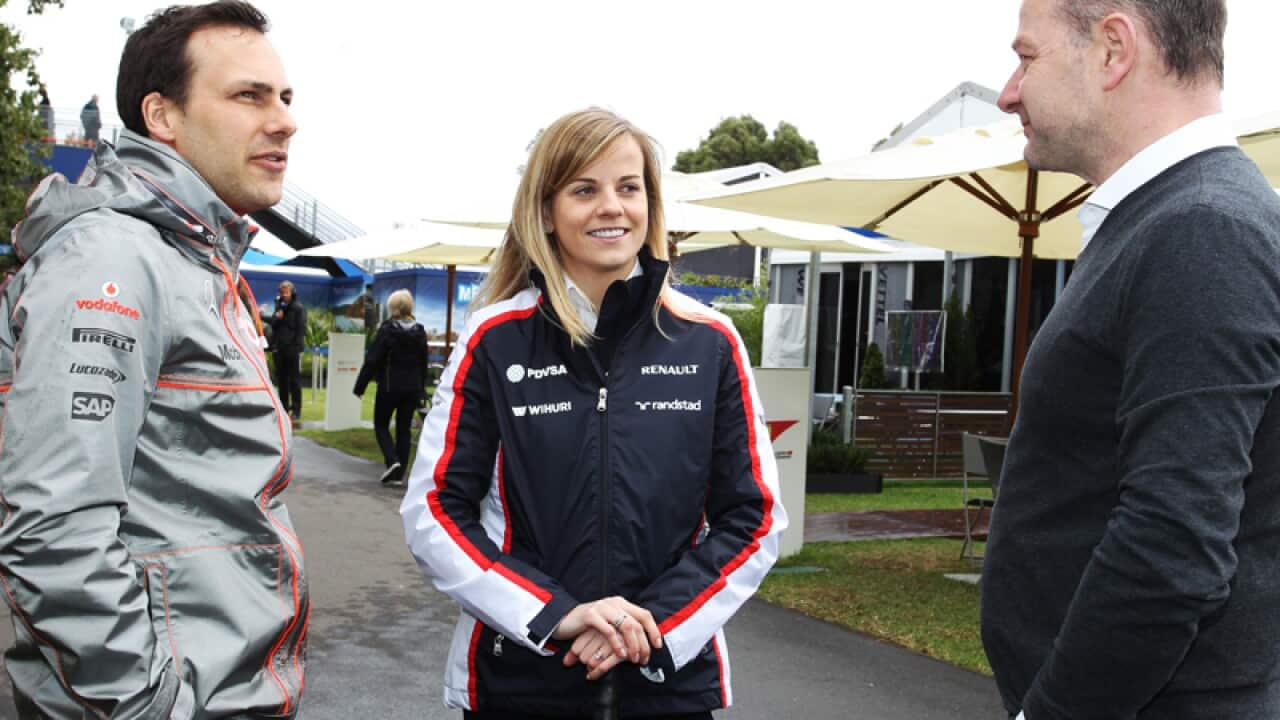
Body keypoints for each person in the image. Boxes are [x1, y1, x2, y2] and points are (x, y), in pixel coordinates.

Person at [400, 108, 787, 719]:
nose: (612, 206)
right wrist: (558, 615)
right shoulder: (495, 341)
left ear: (650, 206)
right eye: (585, 189)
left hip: (670, 685)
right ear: (546, 212)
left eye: (628, 187)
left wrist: (652, 626)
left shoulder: (709, 341)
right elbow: (434, 510)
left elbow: (755, 517)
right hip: (518, 683)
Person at [0, 2, 308, 717]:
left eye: (286, 97)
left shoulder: (191, 259)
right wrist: (148, 706)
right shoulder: (112, 256)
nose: (285, 120)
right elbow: (53, 529)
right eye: (248, 96)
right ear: (162, 117)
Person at [981, 2, 1280, 719]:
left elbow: (1172, 545)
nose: (1008, 91)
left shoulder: (1201, 229)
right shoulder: (1164, 219)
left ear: (1113, 49)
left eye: (1027, 57)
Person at [353, 288, 427, 486]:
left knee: (381, 425)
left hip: (389, 386)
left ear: (392, 307)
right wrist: (422, 390)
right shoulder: (420, 331)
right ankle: (399, 473)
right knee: (404, 428)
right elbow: (423, 363)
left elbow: (373, 359)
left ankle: (392, 461)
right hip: (411, 388)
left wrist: (360, 386)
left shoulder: (387, 330)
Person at [271, 278, 306, 426]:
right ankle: (284, 407)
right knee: (282, 380)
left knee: (294, 380)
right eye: (282, 292)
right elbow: (274, 325)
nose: (284, 294)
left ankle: (296, 408)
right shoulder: (279, 307)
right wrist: (277, 317)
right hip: (280, 348)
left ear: (292, 293)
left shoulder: (298, 308)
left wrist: (298, 347)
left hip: (292, 348)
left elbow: (301, 328)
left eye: (286, 292)